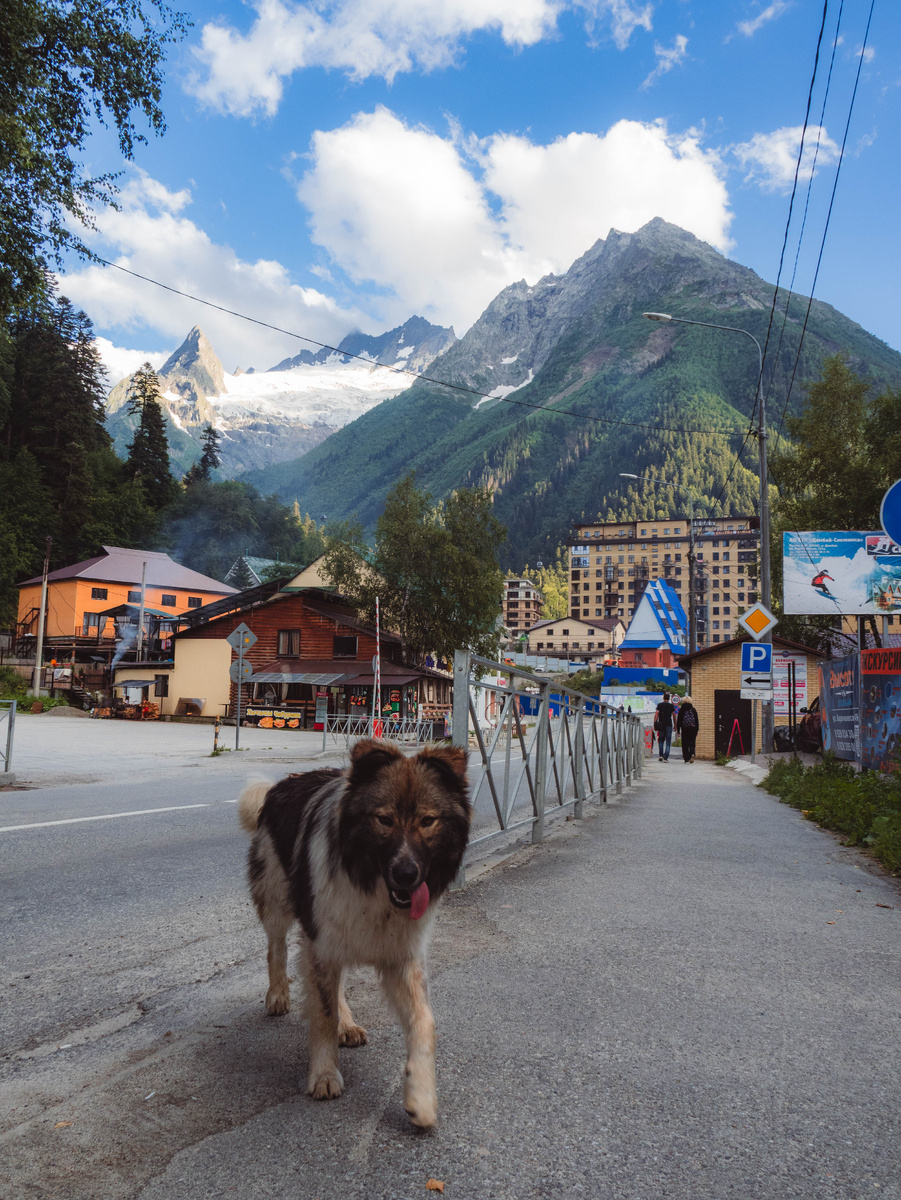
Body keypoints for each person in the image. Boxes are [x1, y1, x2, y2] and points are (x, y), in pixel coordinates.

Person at [676, 696, 699, 762]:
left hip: (685, 728)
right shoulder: (693, 709)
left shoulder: (682, 709)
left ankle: (686, 758)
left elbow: (679, 720)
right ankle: (692, 753)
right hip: (693, 728)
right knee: (692, 742)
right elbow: (696, 721)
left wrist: (678, 730)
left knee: (685, 743)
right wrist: (697, 730)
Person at [654, 692, 676, 762]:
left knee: (661, 740)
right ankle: (666, 757)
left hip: (661, 725)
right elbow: (674, 716)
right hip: (669, 724)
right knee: (668, 742)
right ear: (669, 698)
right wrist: (675, 725)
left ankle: (660, 755)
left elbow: (657, 714)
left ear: (663, 698)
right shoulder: (671, 706)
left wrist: (655, 724)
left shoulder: (660, 705)